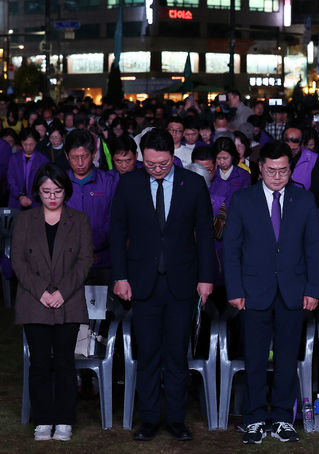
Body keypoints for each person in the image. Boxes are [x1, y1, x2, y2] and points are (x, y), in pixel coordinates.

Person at [110, 128, 215, 442]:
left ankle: (177, 419)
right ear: (143, 158)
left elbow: (206, 236)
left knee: (176, 354)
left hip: (182, 282)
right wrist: (120, 276)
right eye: (151, 164)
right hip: (142, 283)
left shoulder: (193, 184)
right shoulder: (129, 184)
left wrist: (206, 278)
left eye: (163, 164)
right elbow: (117, 233)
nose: (156, 169)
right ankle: (150, 419)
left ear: (174, 156)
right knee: (149, 353)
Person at [223, 141, 319, 444]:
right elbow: (231, 250)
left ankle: (282, 417)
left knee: (286, 358)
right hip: (253, 292)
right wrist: (235, 289)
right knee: (253, 357)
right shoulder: (242, 200)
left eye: (283, 170)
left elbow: (314, 249)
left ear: (290, 169)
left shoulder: (304, 200)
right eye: (271, 170)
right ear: (260, 169)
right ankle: (253, 418)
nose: (278, 176)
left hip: (293, 291)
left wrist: (313, 289)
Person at [13, 163, 94, 442]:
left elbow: (84, 261)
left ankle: (64, 419)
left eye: (57, 191)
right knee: (38, 364)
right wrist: (42, 292)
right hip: (34, 302)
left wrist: (62, 292)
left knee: (64, 363)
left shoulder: (79, 220)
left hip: (68, 302)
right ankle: (43, 419)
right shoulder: (24, 220)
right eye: (46, 191)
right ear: (37, 191)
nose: (51, 197)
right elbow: (18, 262)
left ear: (66, 192)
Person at [64, 129, 119, 283]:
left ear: (94, 154)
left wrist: (95, 243)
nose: (80, 163)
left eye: (84, 156)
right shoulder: (60, 184)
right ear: (67, 155)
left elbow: (114, 218)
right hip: (69, 260)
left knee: (101, 305)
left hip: (103, 258)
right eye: (75, 157)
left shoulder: (108, 182)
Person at [284, 125, 319, 207]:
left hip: (305, 210)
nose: (291, 150)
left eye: (294, 149)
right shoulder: (276, 157)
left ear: (301, 144)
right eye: (288, 146)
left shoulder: (315, 160)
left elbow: (317, 194)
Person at [9, 128, 50, 210]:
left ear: (36, 143)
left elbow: (44, 182)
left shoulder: (43, 160)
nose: (28, 147)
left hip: (36, 202)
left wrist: (31, 198)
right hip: (16, 201)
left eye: (31, 144)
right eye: (25, 144)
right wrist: (20, 196)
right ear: (21, 142)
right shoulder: (14, 158)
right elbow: (11, 180)